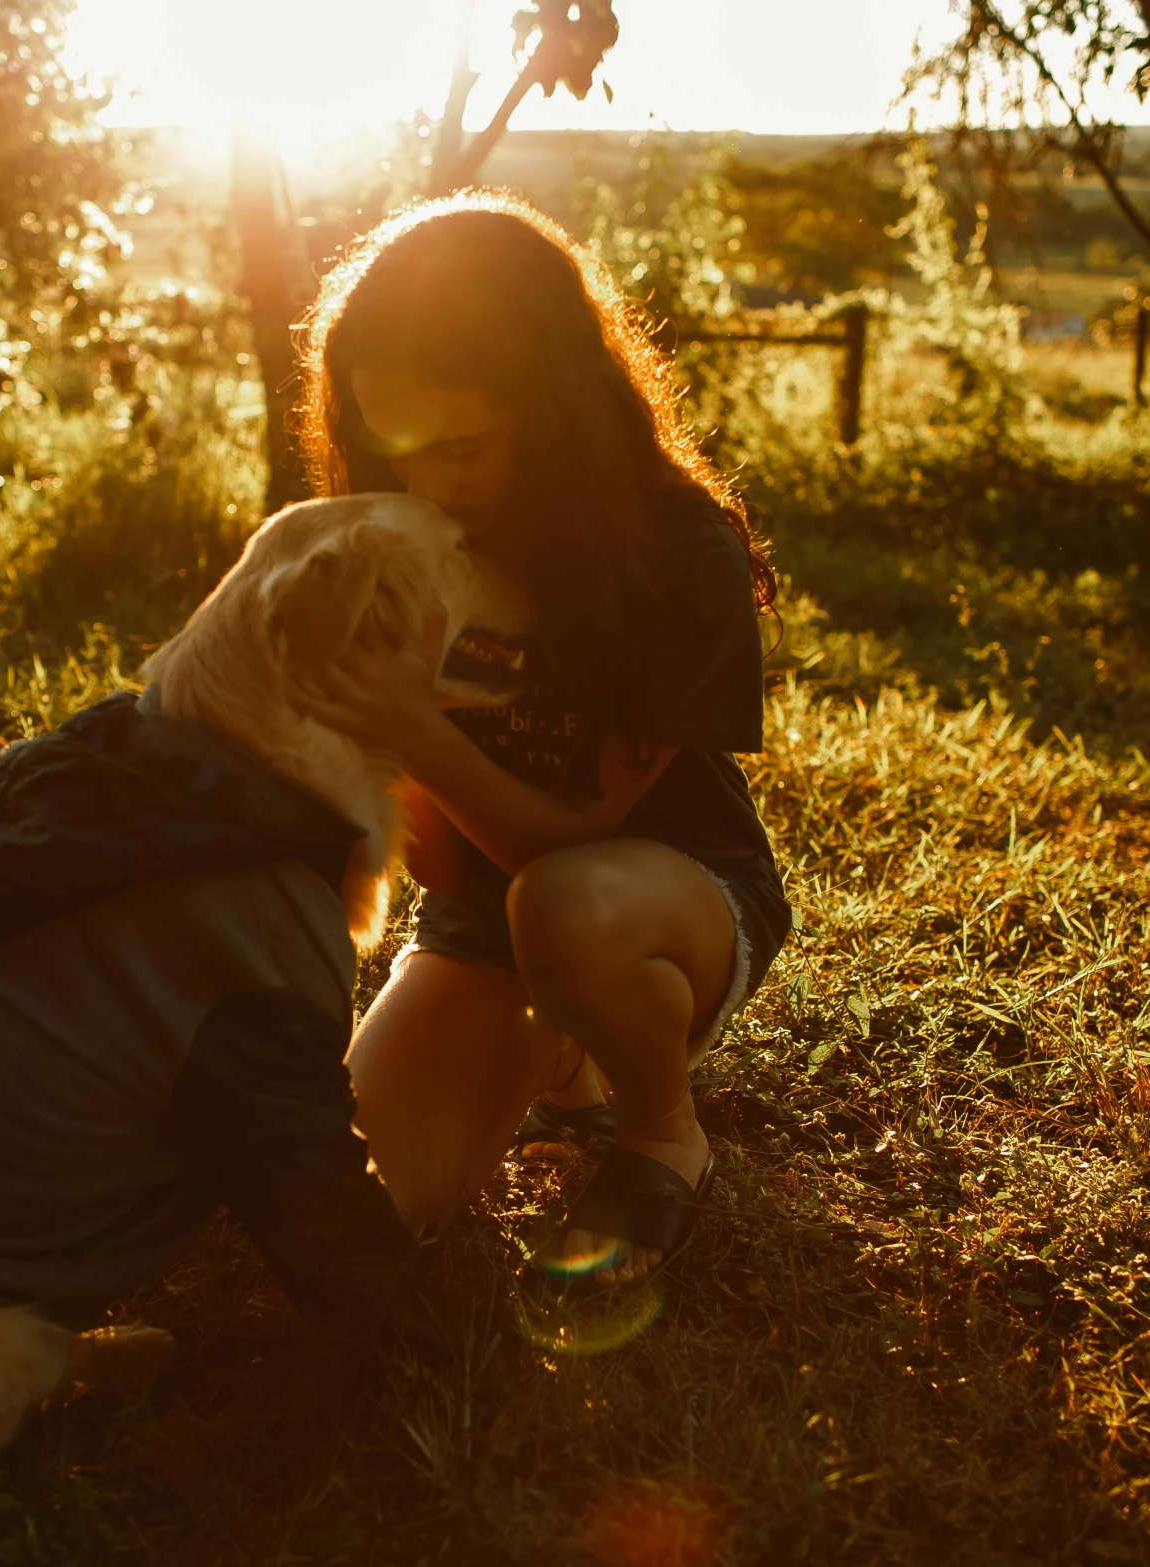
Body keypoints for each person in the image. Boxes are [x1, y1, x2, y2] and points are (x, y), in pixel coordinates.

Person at [294, 192, 789, 1286]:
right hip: (484, 918)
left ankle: (660, 1128)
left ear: (554, 404)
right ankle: (562, 1053)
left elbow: (567, 841)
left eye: (463, 447)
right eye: (395, 447)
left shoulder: (673, 551)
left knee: (561, 907)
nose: (427, 486)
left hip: (662, 904)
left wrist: (409, 725)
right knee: (377, 1205)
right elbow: (437, 860)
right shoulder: (412, 537)